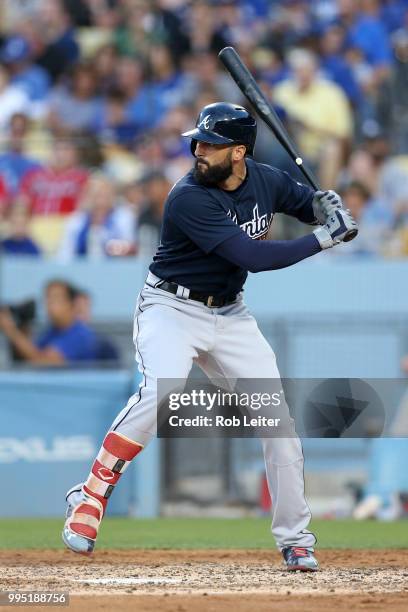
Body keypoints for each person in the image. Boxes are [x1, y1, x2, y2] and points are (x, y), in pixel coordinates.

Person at [62, 102, 357, 570]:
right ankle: (91, 494)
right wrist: (325, 237)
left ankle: (295, 538)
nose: (198, 150)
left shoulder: (267, 180)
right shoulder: (188, 196)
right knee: (163, 388)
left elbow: (306, 204)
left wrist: (326, 205)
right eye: (197, 142)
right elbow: (253, 257)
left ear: (239, 152)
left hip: (231, 314)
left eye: (211, 145)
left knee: (277, 422)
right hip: (171, 308)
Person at [0, 279, 98, 365]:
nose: (49, 304)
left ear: (71, 304)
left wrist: (11, 330)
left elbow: (43, 362)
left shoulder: (79, 334)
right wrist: (23, 327)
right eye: (47, 298)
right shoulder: (52, 332)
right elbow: (30, 356)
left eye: (55, 298)